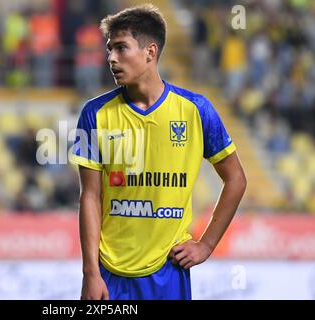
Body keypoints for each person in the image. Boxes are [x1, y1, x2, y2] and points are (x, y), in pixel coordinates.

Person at [70, 4, 247, 300]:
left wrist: (206, 244)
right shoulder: (94, 114)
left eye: (121, 48)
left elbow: (236, 179)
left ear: (150, 52)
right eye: (109, 49)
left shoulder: (196, 110)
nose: (111, 58)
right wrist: (90, 272)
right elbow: (90, 195)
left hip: (168, 271)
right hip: (109, 274)